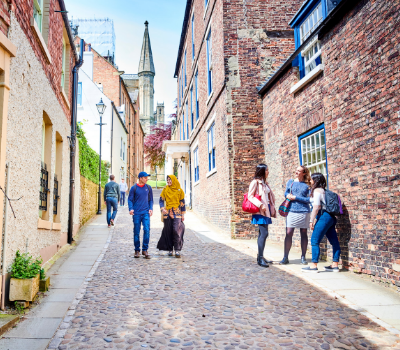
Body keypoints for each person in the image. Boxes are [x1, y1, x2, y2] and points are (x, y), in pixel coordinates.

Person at [302, 173, 341, 273]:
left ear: (316, 181)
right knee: (334, 241)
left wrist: (311, 220)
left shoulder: (317, 190)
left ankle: (313, 266)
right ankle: (335, 265)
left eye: (311, 180)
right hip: (330, 217)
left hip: (324, 217)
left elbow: (316, 207)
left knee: (314, 240)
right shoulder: (324, 190)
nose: (310, 181)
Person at [280, 165, 311, 265]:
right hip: (291, 210)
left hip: (303, 211)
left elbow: (309, 199)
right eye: (296, 170)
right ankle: (285, 257)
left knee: (303, 234)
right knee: (288, 233)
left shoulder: (307, 184)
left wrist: (296, 197)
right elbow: (286, 193)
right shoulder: (291, 181)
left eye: (299, 171)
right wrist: (287, 195)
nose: (296, 172)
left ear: (304, 173)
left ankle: (303, 257)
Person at [247, 164, 276, 268]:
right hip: (260, 210)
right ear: (262, 171)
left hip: (266, 209)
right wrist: (260, 204)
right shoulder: (255, 182)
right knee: (264, 233)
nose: (268, 172)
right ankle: (260, 258)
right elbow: (250, 196)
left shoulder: (265, 183)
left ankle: (261, 256)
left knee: (262, 233)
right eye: (267, 170)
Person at [157, 175, 185, 258]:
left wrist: (183, 214)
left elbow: (182, 203)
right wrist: (162, 209)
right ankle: (170, 249)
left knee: (176, 230)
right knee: (168, 231)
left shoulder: (179, 190)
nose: (168, 181)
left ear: (174, 180)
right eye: (167, 180)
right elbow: (161, 200)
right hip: (167, 213)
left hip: (177, 213)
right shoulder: (165, 189)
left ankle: (177, 249)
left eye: (170, 180)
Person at [128, 172, 154, 259]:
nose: (147, 179)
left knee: (147, 230)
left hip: (146, 213)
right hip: (137, 214)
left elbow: (151, 200)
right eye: (145, 177)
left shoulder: (148, 188)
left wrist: (151, 208)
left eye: (147, 177)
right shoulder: (134, 188)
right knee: (136, 232)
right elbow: (130, 200)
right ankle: (137, 250)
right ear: (140, 178)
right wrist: (131, 208)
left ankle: (145, 250)